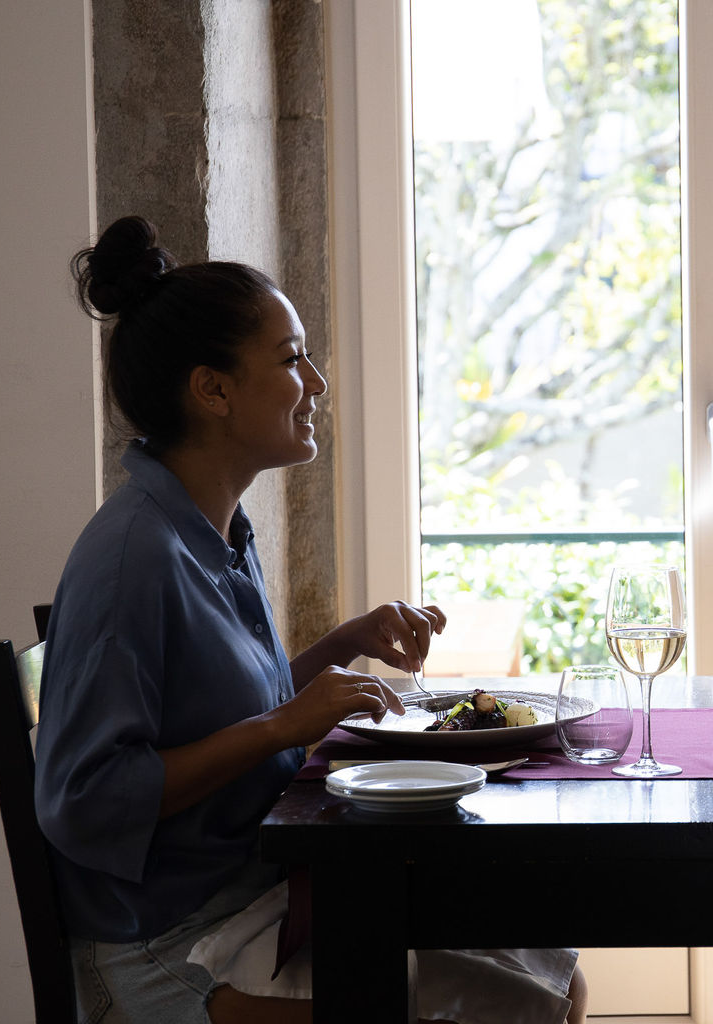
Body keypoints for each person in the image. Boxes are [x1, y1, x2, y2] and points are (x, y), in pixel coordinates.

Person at [35, 215, 587, 1024]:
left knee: (555, 971)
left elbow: (215, 718)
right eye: (293, 360)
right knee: (515, 1009)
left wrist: (338, 650)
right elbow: (85, 798)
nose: (318, 384)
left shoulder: (211, 526)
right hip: (164, 947)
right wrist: (284, 725)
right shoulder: (135, 559)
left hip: (253, 895)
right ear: (213, 389)